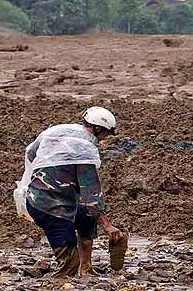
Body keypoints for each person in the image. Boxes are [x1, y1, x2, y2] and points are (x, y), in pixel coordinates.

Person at [19, 107, 128, 278]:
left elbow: (31, 153)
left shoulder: (58, 131)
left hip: (41, 199)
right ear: (98, 128)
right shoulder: (85, 150)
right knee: (69, 266)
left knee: (86, 214)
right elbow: (91, 195)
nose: (104, 140)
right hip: (48, 208)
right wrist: (108, 226)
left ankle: (86, 268)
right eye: (105, 134)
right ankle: (57, 287)